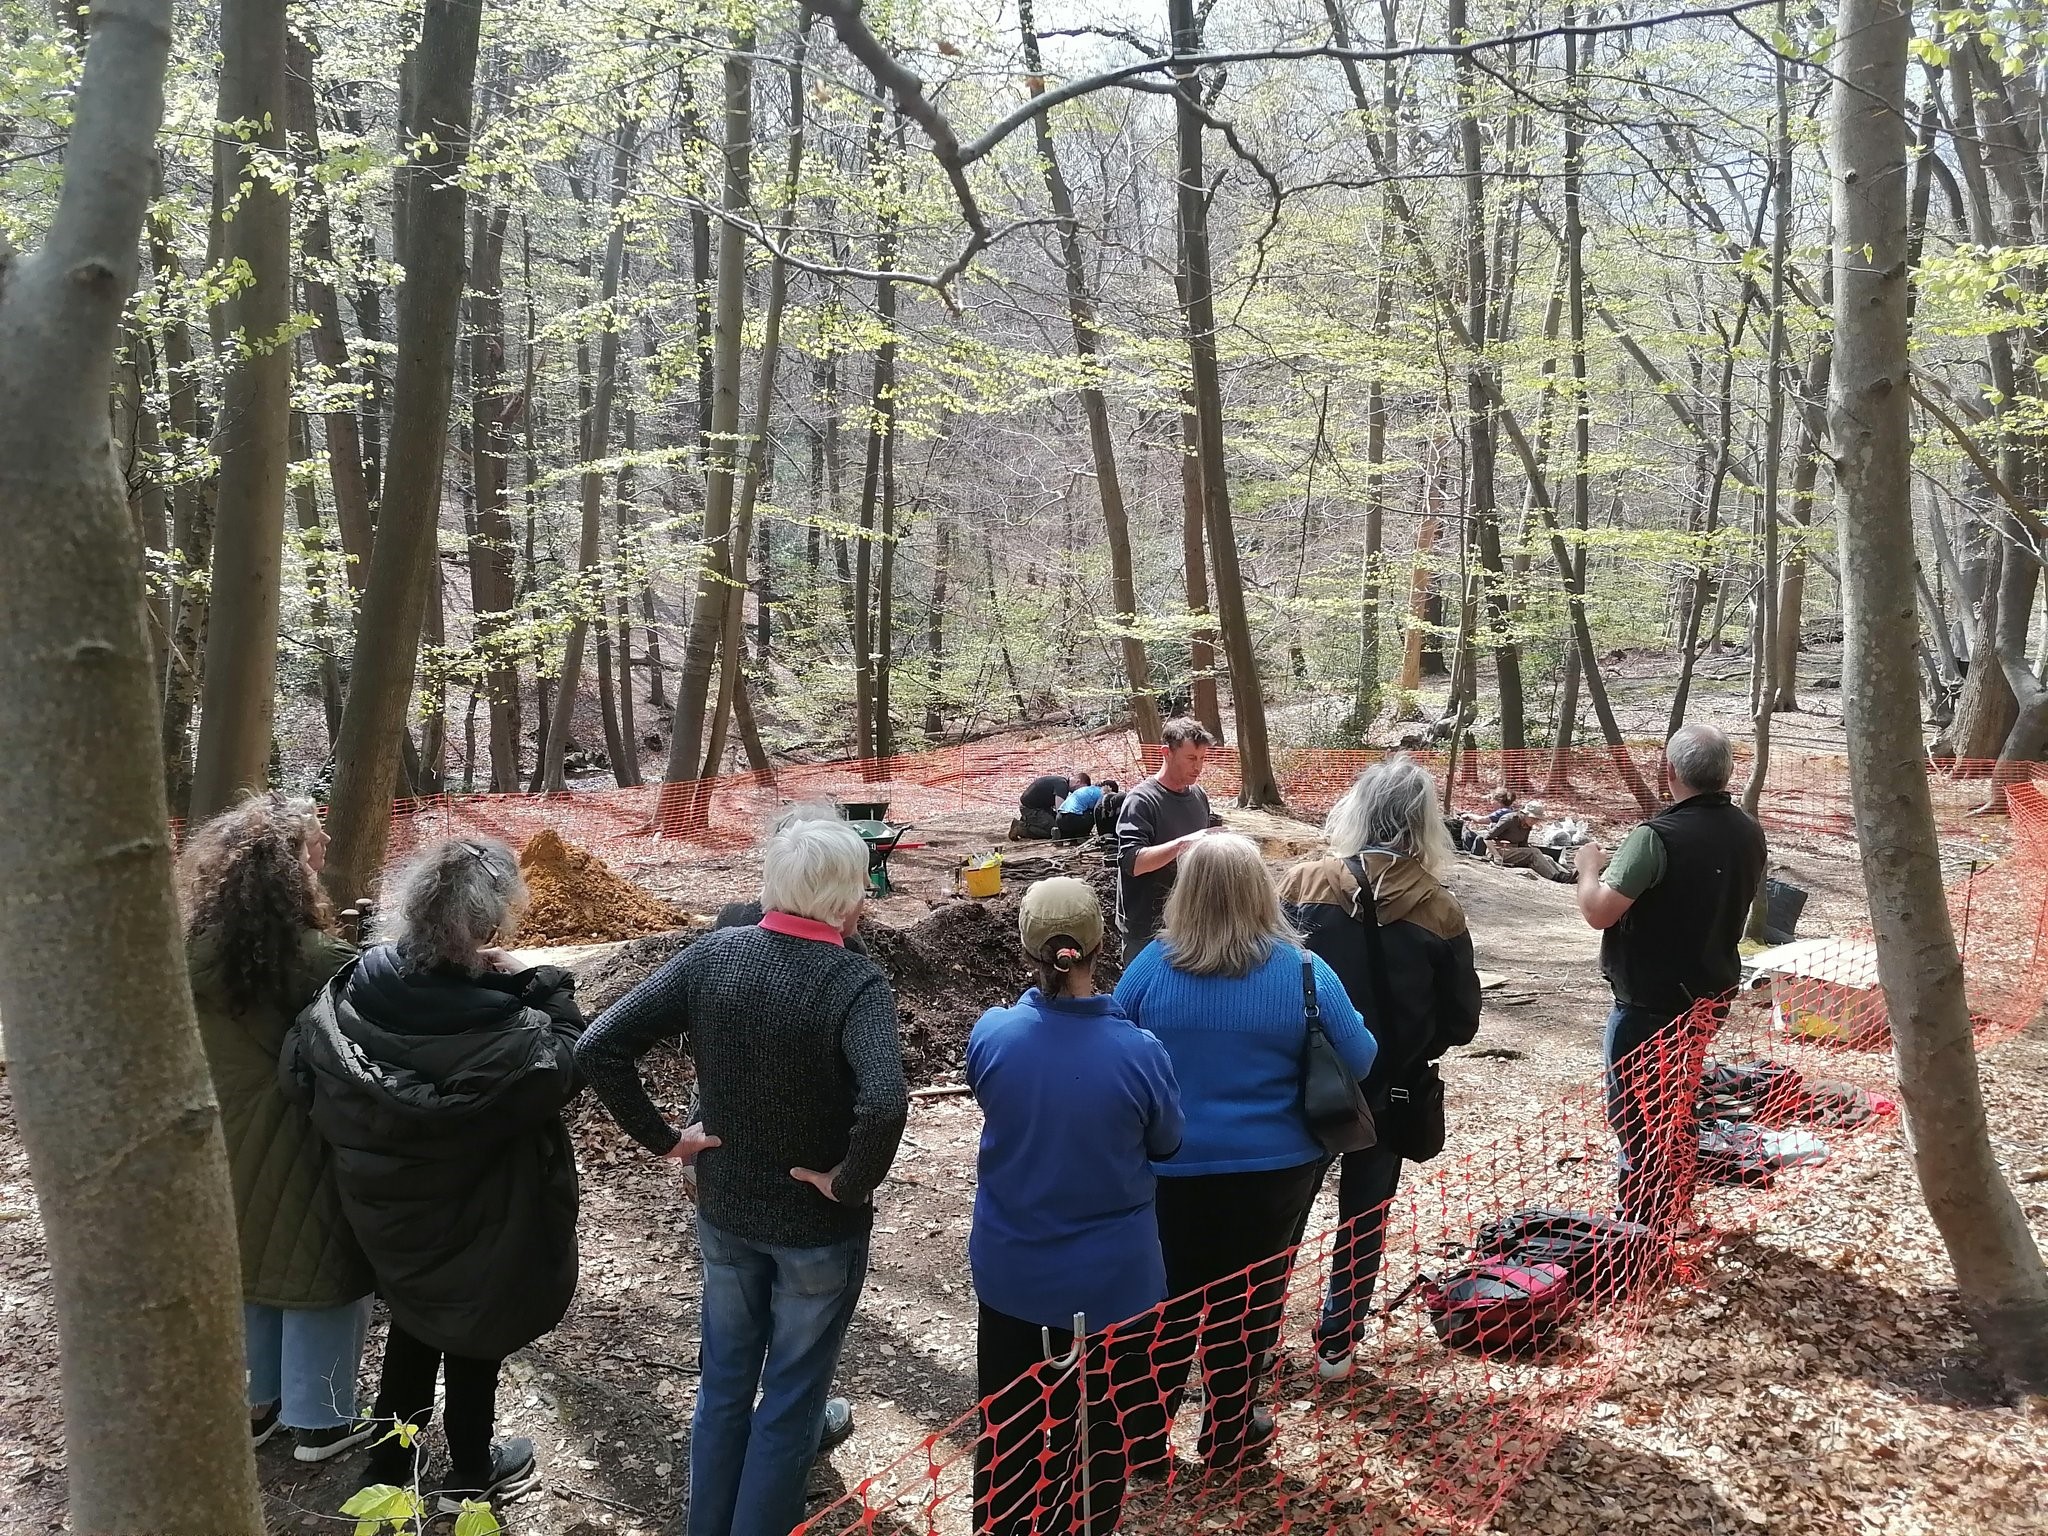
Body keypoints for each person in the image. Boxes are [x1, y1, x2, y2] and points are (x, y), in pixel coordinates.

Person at [577, 818, 908, 1536]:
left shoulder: (715, 954)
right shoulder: (855, 980)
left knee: (725, 1385)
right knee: (790, 1399)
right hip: (816, 1230)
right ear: (850, 897)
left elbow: (600, 1043)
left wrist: (669, 1141)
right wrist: (849, 1183)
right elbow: (884, 1103)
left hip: (726, 1212)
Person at [284, 837, 584, 1510]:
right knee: (474, 1327)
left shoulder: (357, 988)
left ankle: (388, 1470)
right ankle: (470, 1476)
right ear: (487, 925)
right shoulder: (514, 1033)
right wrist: (547, 986)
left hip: (386, 1210)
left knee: (420, 1319)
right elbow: (566, 1064)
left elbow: (298, 1073)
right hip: (484, 1207)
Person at [1113, 835, 1375, 1470]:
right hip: (1275, 1172)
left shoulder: (1151, 965)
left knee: (1168, 1302)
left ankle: (1146, 1443)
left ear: (1185, 894)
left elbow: (1113, 1050)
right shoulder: (1305, 972)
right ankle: (1229, 1433)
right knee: (1249, 1300)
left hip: (1167, 1168)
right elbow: (1361, 1058)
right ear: (1262, 893)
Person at [968, 878, 1183, 1536]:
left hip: (1014, 1280)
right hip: (1116, 1287)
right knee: (1101, 1442)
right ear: (1101, 945)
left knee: (1008, 1438)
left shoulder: (994, 1035)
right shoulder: (1139, 1053)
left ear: (1027, 949)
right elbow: (1168, 1144)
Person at [182, 794, 373, 1461]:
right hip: (302, 1130)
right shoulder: (314, 960)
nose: (322, 859)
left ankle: (256, 1404)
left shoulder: (190, 952)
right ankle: (321, 1420)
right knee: (319, 1262)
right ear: (288, 870)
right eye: (314, 851)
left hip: (223, 1132)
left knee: (255, 1263)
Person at [1278, 756, 1482, 1379]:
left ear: (1357, 811)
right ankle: (1338, 1343)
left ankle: (1254, 1333)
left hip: (1304, 1081)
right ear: (1423, 822)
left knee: (1284, 1212)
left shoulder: (1301, 886)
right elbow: (1462, 1022)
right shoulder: (1439, 911)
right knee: (1365, 1214)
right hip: (1390, 1085)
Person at [1575, 724, 1766, 1229]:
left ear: (1672, 772)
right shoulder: (1748, 830)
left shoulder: (1655, 837)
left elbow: (1599, 911)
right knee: (1677, 1102)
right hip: (1710, 994)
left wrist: (1588, 866)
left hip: (1651, 1002)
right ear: (1726, 773)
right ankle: (1674, 1210)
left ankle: (1643, 1230)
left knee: (1636, 1114)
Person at [1115, 719, 1216, 955]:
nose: (1198, 767)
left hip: (1189, 925)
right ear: (1166, 753)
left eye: (1202, 759)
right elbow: (1133, 862)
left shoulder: (1199, 796)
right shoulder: (1141, 800)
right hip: (1145, 931)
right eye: (1191, 758)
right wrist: (1184, 844)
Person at [1016, 769, 1083, 840]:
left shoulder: (1061, 781)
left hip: (1038, 807)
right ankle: (1020, 828)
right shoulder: (1062, 785)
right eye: (1081, 789)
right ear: (1078, 782)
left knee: (1057, 826)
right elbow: (1060, 810)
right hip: (1029, 808)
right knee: (1056, 831)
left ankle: (1029, 821)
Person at [1054, 777, 1106, 843]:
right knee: (1095, 812)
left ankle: (1063, 835)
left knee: (1084, 810)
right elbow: (1097, 810)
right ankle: (1082, 835)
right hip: (1072, 818)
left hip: (1060, 817)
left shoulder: (1087, 789)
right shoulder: (1101, 793)